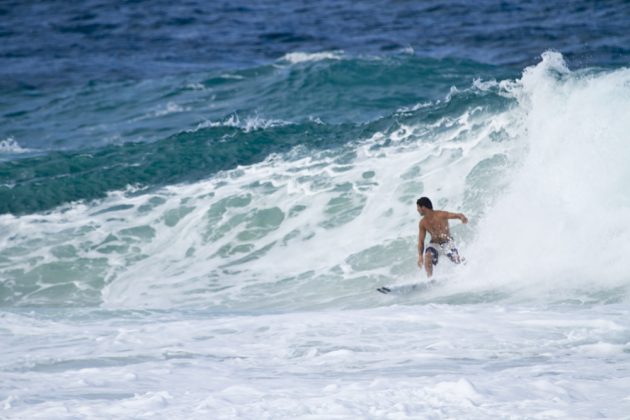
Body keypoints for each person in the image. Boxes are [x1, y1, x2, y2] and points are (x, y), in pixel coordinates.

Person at [416, 196, 468, 278]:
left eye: (418, 207)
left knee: (457, 260)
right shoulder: (422, 223)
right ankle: (430, 279)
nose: (417, 210)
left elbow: (458, 215)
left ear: (423, 207)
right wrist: (420, 256)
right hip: (434, 244)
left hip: (447, 243)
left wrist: (462, 218)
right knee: (428, 257)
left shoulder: (441, 214)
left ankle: (468, 267)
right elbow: (421, 241)